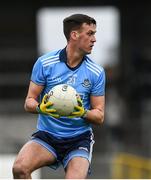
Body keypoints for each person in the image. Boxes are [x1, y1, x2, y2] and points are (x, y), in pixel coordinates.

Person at [12, 13, 105, 179]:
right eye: (90, 33)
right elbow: (29, 102)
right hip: (47, 137)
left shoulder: (96, 72)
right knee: (20, 168)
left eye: (94, 34)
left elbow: (99, 116)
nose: (94, 39)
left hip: (79, 140)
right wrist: (41, 108)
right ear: (74, 35)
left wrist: (82, 112)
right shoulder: (45, 63)